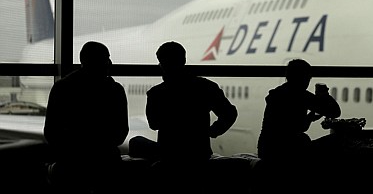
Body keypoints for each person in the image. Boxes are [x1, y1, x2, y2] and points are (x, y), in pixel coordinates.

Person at [139, 41, 238, 191]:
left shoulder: (156, 93)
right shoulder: (206, 87)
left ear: (161, 64)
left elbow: (153, 124)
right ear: (184, 60)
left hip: (169, 157)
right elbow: (230, 113)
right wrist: (213, 131)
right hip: (198, 155)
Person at [43, 41, 129, 193]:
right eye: (105, 58)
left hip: (71, 162)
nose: (109, 63)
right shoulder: (115, 90)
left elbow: (51, 132)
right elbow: (121, 133)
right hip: (106, 160)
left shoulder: (62, 88)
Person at [256, 58, 341, 191]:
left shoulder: (278, 93)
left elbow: (290, 126)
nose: (307, 82)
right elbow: (335, 112)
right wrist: (324, 95)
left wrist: (309, 118)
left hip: (267, 149)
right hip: (288, 151)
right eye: (307, 78)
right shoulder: (301, 95)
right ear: (303, 78)